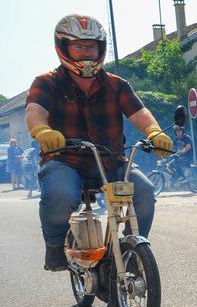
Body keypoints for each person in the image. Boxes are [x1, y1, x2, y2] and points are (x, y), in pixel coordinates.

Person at [25, 14, 172, 271]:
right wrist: (41, 130)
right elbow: (34, 110)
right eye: (79, 46)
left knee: (145, 192)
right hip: (65, 160)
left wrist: (154, 132)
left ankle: (131, 249)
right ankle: (54, 246)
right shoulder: (47, 82)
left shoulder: (116, 85)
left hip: (111, 160)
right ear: (63, 46)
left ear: (101, 48)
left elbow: (140, 113)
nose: (86, 52)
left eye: (91, 46)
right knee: (61, 195)